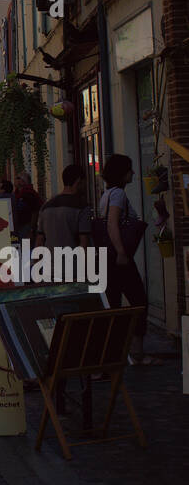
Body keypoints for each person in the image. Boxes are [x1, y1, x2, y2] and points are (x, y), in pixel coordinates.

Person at [99, 154, 151, 364]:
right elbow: (112, 223)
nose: (133, 173)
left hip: (108, 258)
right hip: (118, 258)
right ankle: (136, 353)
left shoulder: (107, 193)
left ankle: (111, 354)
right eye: (130, 169)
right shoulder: (118, 194)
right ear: (121, 173)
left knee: (113, 304)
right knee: (139, 301)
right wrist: (121, 252)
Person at [36, 164, 93, 265]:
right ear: (79, 181)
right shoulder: (82, 207)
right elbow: (84, 243)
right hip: (72, 265)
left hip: (50, 266)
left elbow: (40, 241)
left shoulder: (46, 207)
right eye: (85, 182)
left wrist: (37, 267)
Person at [11, 171, 41, 242]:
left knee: (26, 246)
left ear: (23, 181)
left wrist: (31, 229)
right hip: (19, 226)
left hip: (26, 226)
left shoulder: (29, 194)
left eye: (18, 178)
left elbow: (35, 212)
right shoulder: (17, 193)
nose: (15, 180)